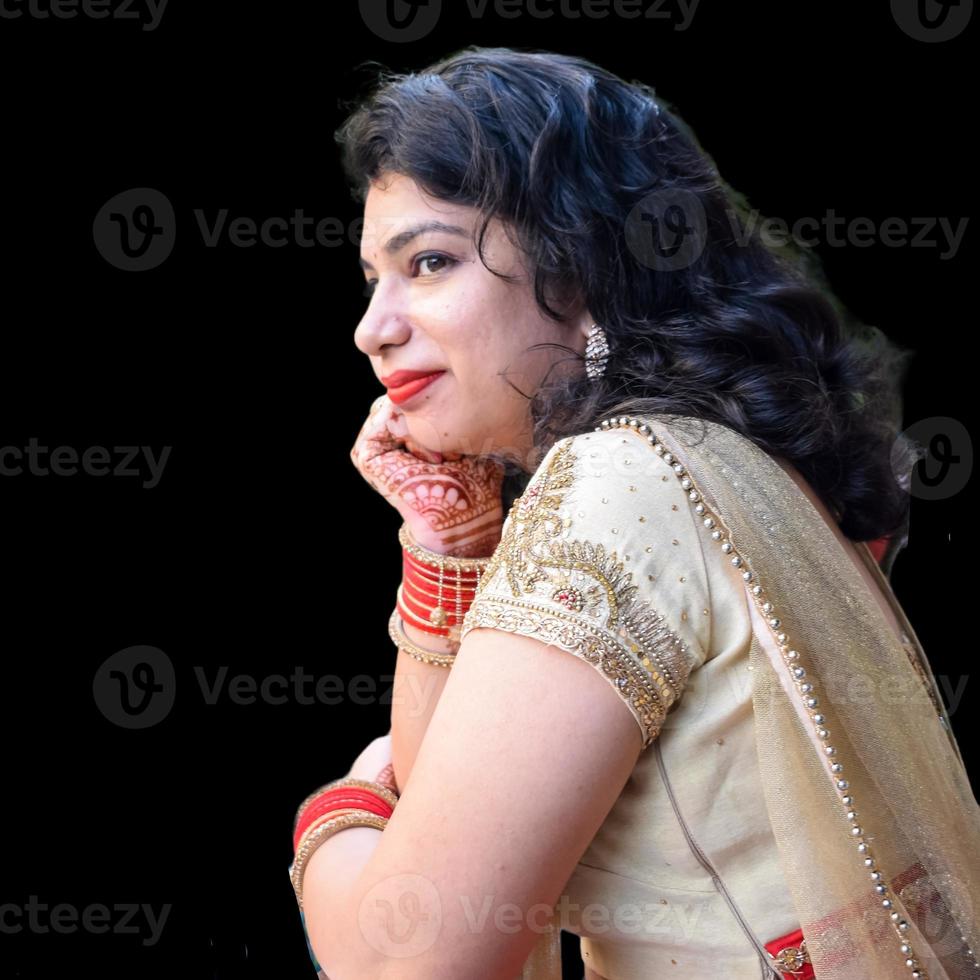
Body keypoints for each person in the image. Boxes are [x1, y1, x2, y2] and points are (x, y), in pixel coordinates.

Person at [288, 47, 980, 979]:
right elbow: (460, 800)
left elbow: (414, 959)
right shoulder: (725, 462)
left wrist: (342, 810)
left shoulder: (615, 487)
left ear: (580, 268)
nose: (375, 325)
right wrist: (448, 541)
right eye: (375, 278)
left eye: (430, 261)